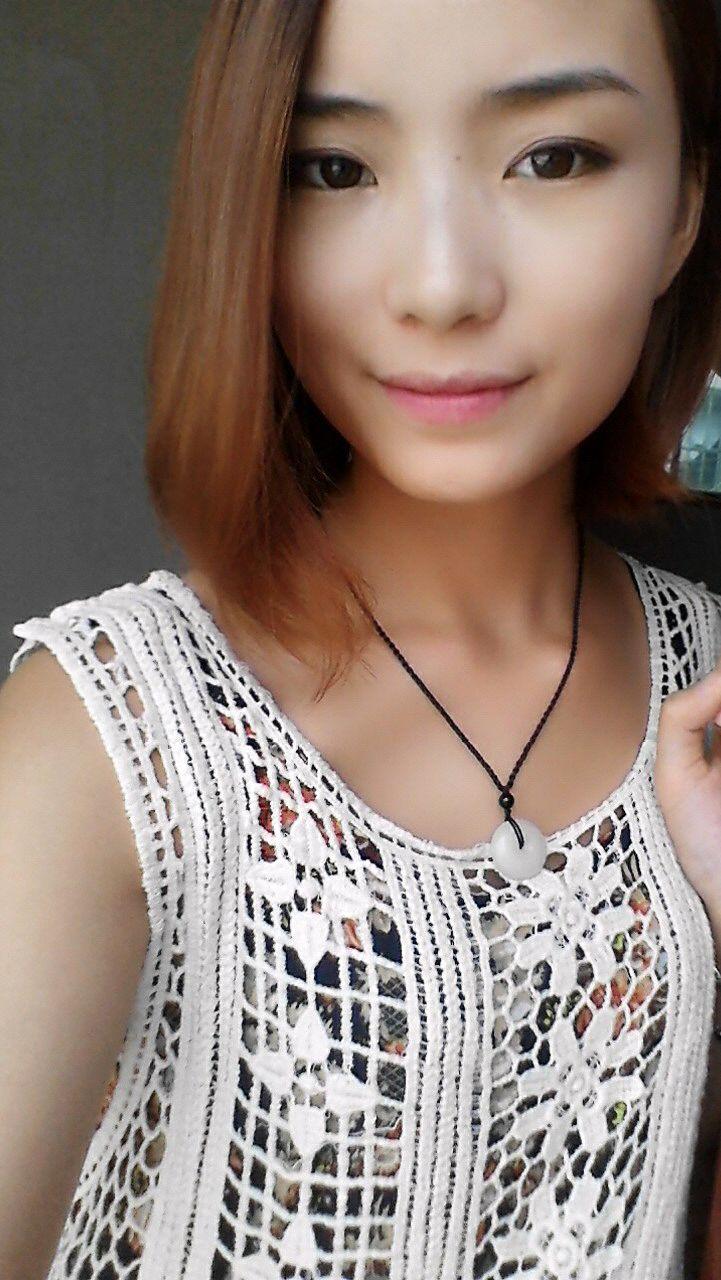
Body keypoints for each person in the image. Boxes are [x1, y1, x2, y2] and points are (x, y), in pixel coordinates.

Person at [2, 0, 721, 1276]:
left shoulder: (705, 683)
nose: (440, 286)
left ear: (683, 208)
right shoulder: (115, 736)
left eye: (553, 157)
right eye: (334, 170)